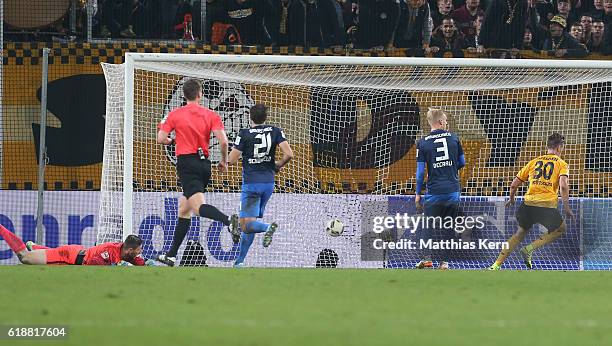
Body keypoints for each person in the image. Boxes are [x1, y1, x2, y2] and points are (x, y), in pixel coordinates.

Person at [156, 79, 238, 267]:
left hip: (187, 162)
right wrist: (224, 161)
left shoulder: (174, 115)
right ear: (200, 94)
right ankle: (171, 255)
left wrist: (170, 140)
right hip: (204, 164)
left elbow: (161, 138)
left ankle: (228, 221)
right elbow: (224, 142)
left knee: (198, 207)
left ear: (184, 95)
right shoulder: (211, 115)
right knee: (184, 209)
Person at [489, 133, 574, 270]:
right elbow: (564, 185)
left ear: (548, 146)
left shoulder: (533, 162)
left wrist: (511, 199)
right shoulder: (562, 164)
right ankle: (529, 249)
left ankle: (495, 265)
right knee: (561, 228)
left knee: (519, 234)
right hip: (546, 206)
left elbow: (513, 184)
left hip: (527, 205)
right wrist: (566, 207)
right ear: (559, 148)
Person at [228, 104, 293, 267]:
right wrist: (278, 164)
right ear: (265, 117)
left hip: (251, 184)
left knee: (246, 225)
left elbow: (232, 159)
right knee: (249, 223)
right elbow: (289, 154)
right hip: (269, 183)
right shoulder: (275, 131)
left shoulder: (244, 134)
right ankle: (239, 262)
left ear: (250, 117)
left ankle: (268, 227)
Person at [415, 108, 466, 270]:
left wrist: (417, 193)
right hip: (452, 190)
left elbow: (420, 172)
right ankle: (444, 263)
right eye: (444, 120)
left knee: (428, 224)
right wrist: (449, 169)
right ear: (440, 122)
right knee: (449, 226)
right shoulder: (454, 138)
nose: (446, 122)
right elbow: (462, 162)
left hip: (434, 191)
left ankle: (427, 259)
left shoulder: (422, 143)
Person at [0, 225, 151, 266]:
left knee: (51, 263)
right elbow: (94, 263)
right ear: (130, 249)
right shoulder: (110, 251)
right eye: (138, 250)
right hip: (69, 256)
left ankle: (37, 247)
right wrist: (117, 266)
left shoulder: (126, 253)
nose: (140, 252)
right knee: (24, 258)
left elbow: (136, 262)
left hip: (75, 255)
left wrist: (145, 263)